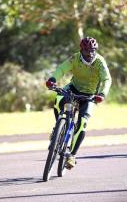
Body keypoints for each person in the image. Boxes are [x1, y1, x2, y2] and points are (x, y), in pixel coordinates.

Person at [46, 36, 112, 168]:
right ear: (81, 51)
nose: (90, 54)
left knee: (82, 123)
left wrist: (102, 94)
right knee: (58, 99)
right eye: (87, 51)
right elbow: (62, 69)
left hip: (90, 94)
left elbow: (107, 79)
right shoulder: (75, 58)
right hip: (73, 88)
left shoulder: (100, 62)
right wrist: (53, 79)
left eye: (93, 51)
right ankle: (58, 128)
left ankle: (72, 155)